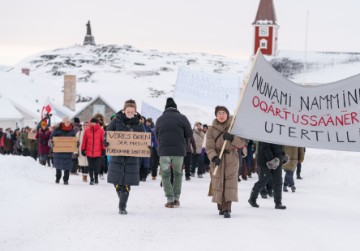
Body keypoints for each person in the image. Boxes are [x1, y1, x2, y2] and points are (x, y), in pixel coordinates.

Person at [205, 106, 247, 218]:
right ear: (216, 115)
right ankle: (220, 206)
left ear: (227, 115)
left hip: (231, 158)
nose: (221, 115)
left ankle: (227, 208)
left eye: (223, 113)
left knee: (230, 183)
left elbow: (242, 143)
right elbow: (209, 147)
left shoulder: (234, 127)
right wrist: (213, 157)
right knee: (218, 182)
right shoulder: (211, 130)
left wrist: (232, 138)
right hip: (217, 159)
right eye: (219, 113)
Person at [106, 99, 144, 215]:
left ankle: (122, 206)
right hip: (117, 155)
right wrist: (105, 141)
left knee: (126, 183)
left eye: (132, 111)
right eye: (128, 111)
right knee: (117, 182)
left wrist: (145, 147)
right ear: (124, 110)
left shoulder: (139, 123)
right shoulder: (116, 120)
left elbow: (143, 138)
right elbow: (108, 133)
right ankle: (122, 201)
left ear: (135, 111)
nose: (130, 113)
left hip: (131, 157)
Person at [155, 97, 192, 208]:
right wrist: (183, 141)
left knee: (165, 175)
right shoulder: (182, 118)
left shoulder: (160, 119)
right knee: (178, 174)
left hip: (164, 151)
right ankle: (176, 198)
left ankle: (169, 199)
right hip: (179, 151)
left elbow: (156, 135)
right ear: (176, 108)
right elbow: (189, 133)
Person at [248, 142, 287, 209]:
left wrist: (282, 155)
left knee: (278, 181)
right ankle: (252, 198)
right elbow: (264, 146)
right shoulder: (266, 132)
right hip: (265, 160)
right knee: (263, 181)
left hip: (278, 159)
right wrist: (272, 159)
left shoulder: (279, 133)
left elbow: (280, 145)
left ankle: (278, 203)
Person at [50, 117, 76, 185]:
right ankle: (58, 178)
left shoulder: (72, 131)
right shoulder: (57, 130)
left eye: (69, 122)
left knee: (67, 166)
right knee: (58, 166)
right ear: (63, 122)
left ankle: (66, 180)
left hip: (68, 151)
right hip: (58, 151)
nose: (68, 123)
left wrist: (76, 143)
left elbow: (74, 140)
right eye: (66, 122)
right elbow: (51, 138)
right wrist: (51, 142)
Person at [81, 117, 105, 185]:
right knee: (90, 166)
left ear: (97, 123)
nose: (92, 124)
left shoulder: (101, 131)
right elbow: (84, 141)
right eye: (91, 122)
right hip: (89, 152)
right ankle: (91, 179)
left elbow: (103, 141)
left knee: (97, 167)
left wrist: (103, 149)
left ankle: (96, 177)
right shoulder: (87, 130)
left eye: (94, 122)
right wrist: (83, 149)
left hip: (98, 152)